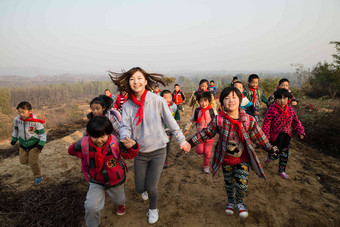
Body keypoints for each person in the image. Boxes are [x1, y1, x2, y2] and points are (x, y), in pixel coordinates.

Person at [109, 67, 190, 224]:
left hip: (158, 150)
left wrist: (182, 141)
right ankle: (145, 189)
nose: (136, 82)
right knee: (140, 188)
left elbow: (171, 123)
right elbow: (125, 126)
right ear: (128, 83)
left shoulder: (157, 100)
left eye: (139, 78)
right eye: (132, 79)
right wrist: (125, 138)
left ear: (145, 81)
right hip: (139, 152)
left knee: (151, 187)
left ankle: (153, 209)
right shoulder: (127, 105)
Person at [183, 87, 277, 219]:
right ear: (222, 103)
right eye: (226, 98)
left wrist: (270, 148)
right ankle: (231, 201)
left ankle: (240, 202)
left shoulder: (249, 120)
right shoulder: (219, 120)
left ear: (240, 100)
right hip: (225, 159)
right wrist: (190, 143)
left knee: (242, 183)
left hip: (243, 159)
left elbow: (259, 137)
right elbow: (205, 133)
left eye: (234, 97)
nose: (230, 101)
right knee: (229, 182)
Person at [68, 116, 140, 227]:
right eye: (94, 137)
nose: (98, 140)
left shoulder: (115, 143)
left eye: (102, 136)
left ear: (108, 133)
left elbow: (129, 155)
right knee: (91, 206)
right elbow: (71, 150)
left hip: (115, 180)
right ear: (89, 134)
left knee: (119, 199)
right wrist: (83, 154)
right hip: (96, 180)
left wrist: (134, 145)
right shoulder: (85, 144)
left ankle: (121, 204)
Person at [262, 88, 305, 179]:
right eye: (279, 98)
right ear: (276, 99)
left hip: (286, 136)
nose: (282, 101)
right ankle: (270, 156)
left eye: (284, 98)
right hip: (275, 136)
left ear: (288, 99)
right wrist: (266, 137)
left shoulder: (290, 109)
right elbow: (266, 124)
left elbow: (295, 121)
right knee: (275, 154)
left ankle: (282, 170)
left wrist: (300, 131)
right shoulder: (272, 109)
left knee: (285, 154)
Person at [10, 101, 46, 183]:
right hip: (23, 144)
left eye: (23, 112)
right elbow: (15, 130)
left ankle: (38, 176)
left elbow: (43, 134)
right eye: (19, 112)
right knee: (22, 161)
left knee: (33, 162)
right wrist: (14, 139)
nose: (21, 114)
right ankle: (32, 161)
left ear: (30, 111)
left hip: (34, 145)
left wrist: (41, 145)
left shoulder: (35, 121)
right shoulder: (17, 120)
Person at [184, 91, 215, 173]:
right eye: (201, 101)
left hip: (210, 135)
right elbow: (191, 120)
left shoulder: (212, 111)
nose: (203, 103)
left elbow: (218, 120)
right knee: (200, 151)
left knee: (207, 153)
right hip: (199, 136)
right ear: (198, 102)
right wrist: (187, 128)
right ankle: (199, 152)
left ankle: (206, 166)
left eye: (205, 101)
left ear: (209, 101)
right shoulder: (197, 111)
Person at [161, 90, 180, 168]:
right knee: (161, 144)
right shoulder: (159, 106)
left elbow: (177, 114)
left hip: (169, 129)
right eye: (165, 98)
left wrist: (177, 119)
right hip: (160, 129)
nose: (168, 99)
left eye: (170, 97)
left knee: (167, 144)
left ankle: (165, 159)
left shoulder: (174, 106)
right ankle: (160, 159)